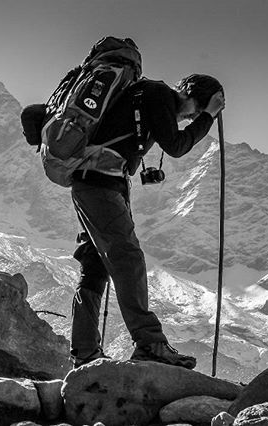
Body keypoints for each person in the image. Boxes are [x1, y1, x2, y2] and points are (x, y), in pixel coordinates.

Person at [70, 74, 225, 368]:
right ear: (189, 94)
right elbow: (176, 145)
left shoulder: (150, 96)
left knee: (95, 266)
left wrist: (204, 112)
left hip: (94, 182)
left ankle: (84, 352)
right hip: (100, 184)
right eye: (195, 108)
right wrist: (208, 117)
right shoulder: (158, 94)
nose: (189, 116)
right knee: (128, 259)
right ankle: (150, 343)